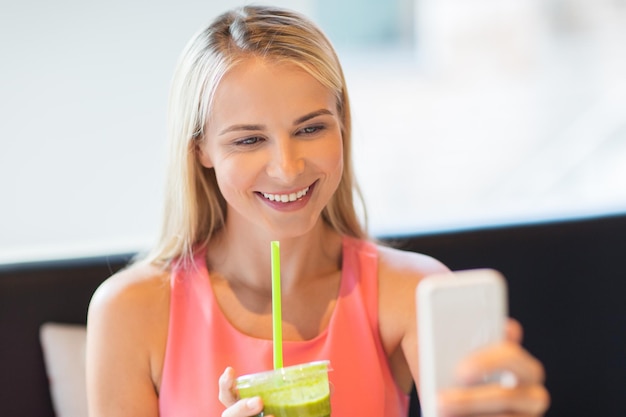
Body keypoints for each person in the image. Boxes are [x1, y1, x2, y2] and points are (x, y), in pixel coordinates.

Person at [86, 5, 550, 417]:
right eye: (249, 140)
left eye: (310, 129)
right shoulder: (129, 313)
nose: (287, 169)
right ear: (200, 149)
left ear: (341, 125)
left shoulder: (413, 293)